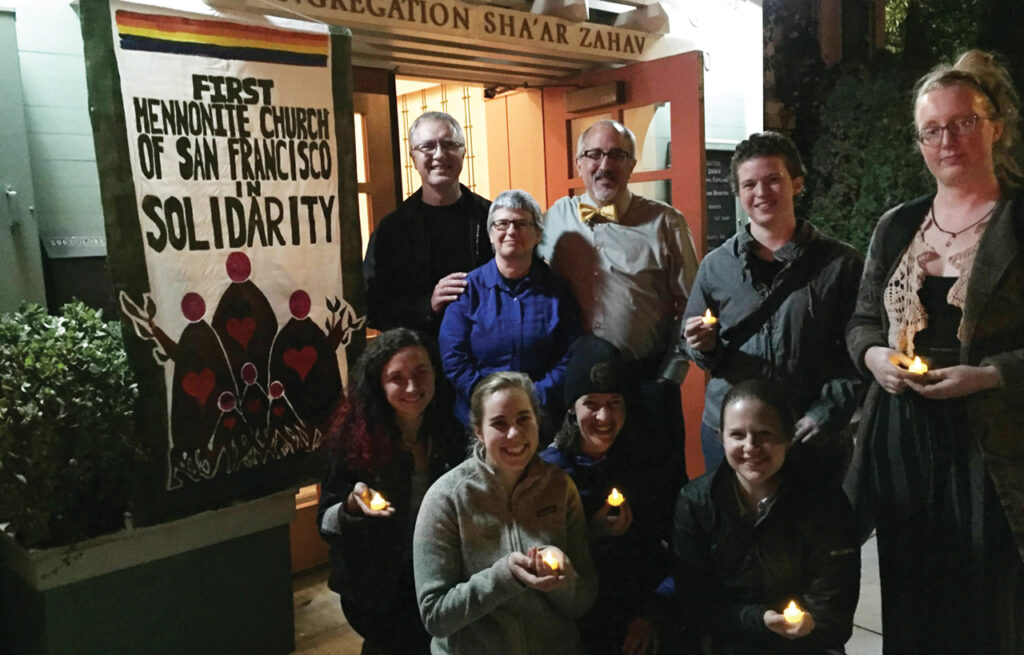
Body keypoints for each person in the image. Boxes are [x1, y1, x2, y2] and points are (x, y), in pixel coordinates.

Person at [845, 49, 1024, 653]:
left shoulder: (1020, 221)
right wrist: (874, 359)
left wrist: (992, 375)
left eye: (964, 122)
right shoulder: (898, 226)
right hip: (901, 436)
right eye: (933, 129)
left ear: (995, 126)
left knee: (988, 600)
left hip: (991, 443)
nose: (949, 139)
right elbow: (863, 322)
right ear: (919, 142)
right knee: (912, 592)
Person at [680, 131, 863, 480]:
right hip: (731, 437)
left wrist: (826, 414)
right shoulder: (717, 266)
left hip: (808, 435)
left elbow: (858, 351)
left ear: (797, 183)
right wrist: (700, 344)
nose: (761, 193)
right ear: (738, 192)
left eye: (773, 180)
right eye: (749, 184)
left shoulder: (840, 264)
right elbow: (696, 345)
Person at [539, 118, 699, 495]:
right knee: (582, 494)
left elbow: (695, 303)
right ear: (579, 164)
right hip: (576, 391)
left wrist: (669, 375)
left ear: (631, 164)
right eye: (593, 154)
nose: (604, 165)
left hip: (644, 382)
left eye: (616, 155)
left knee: (657, 491)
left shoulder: (666, 222)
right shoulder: (554, 219)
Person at [670, 379, 860, 655]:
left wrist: (801, 627)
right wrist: (758, 620)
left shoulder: (825, 504)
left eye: (764, 434)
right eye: (737, 435)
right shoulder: (696, 501)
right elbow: (693, 605)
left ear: (788, 436)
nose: (751, 446)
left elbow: (834, 614)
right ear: (720, 437)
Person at [413, 371, 598, 655]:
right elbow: (436, 618)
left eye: (524, 418)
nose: (514, 434)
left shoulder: (560, 487)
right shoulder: (447, 498)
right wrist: (503, 577)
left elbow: (583, 602)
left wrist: (564, 578)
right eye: (499, 423)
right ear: (478, 431)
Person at [317, 328, 465, 655]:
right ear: (378, 384)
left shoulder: (449, 434)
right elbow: (324, 523)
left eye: (421, 372)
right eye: (397, 378)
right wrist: (351, 509)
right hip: (375, 587)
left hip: (434, 575)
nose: (412, 386)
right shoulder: (350, 442)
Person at [539, 336, 672, 655]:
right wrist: (591, 533)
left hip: (635, 613)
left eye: (614, 403)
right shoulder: (550, 473)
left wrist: (650, 614)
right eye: (592, 404)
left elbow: (663, 549)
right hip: (571, 619)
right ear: (572, 408)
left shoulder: (644, 464)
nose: (604, 417)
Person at [439, 189, 582, 436]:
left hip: (540, 418)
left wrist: (532, 397)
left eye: (521, 223)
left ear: (538, 234)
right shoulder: (467, 289)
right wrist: (489, 398)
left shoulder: (557, 291)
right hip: (479, 423)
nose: (511, 231)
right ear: (490, 234)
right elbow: (454, 357)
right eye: (502, 224)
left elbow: (569, 354)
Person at [363, 111, 491, 335]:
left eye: (449, 144)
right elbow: (371, 307)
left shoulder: (493, 218)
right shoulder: (392, 230)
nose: (439, 154)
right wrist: (427, 305)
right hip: (420, 357)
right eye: (428, 146)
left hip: (486, 353)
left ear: (464, 151)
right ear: (412, 158)